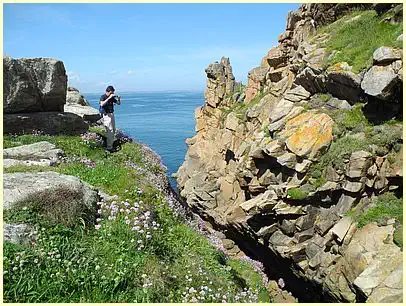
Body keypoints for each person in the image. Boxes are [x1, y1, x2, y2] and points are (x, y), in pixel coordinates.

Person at [99, 85, 121, 152]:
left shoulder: (111, 97)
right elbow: (102, 104)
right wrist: (109, 98)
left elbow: (118, 103)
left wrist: (118, 99)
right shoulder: (103, 96)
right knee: (110, 130)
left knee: (113, 130)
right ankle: (109, 147)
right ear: (107, 91)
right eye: (111, 93)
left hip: (111, 114)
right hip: (106, 115)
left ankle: (110, 143)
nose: (112, 94)